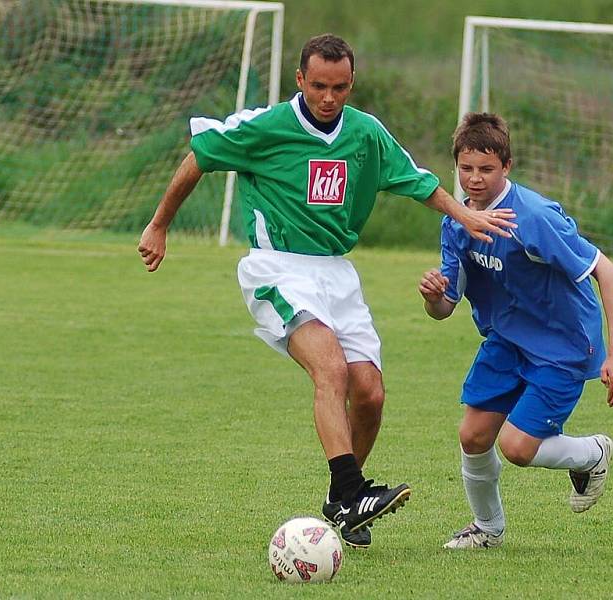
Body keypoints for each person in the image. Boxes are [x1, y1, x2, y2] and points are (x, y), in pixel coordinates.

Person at [137, 34, 515, 549]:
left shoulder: (365, 133)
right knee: (331, 370)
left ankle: (344, 505)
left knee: (371, 393)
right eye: (318, 85)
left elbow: (417, 180)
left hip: (337, 273)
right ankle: (350, 490)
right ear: (300, 80)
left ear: (351, 83)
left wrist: (465, 214)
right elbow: (198, 157)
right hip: (278, 267)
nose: (329, 97)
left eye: (339, 87)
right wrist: (160, 226)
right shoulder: (267, 126)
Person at [418, 113, 613, 550]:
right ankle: (487, 529)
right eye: (466, 168)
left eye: (486, 169)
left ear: (507, 166)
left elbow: (607, 273)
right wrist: (432, 295)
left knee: (517, 447)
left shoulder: (533, 217)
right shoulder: (455, 221)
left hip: (562, 347)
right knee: (472, 436)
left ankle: (593, 452)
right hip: (506, 342)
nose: (474, 179)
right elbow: (444, 308)